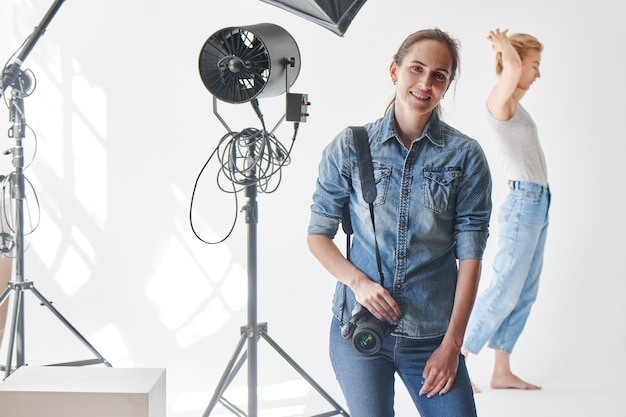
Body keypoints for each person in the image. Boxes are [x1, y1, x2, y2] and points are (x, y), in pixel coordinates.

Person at [307, 28, 492, 417]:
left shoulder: (465, 156)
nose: (425, 83)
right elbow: (318, 236)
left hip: (432, 337)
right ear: (395, 70)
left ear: (447, 85)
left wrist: (452, 345)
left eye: (439, 75)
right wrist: (358, 283)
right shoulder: (349, 146)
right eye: (416, 68)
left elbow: (471, 257)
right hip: (357, 331)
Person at [462, 28, 548, 391]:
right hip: (523, 203)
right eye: (534, 65)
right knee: (504, 288)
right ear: (515, 62)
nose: (538, 73)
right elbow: (511, 69)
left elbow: (516, 71)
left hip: (539, 201)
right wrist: (505, 46)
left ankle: (501, 371)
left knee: (524, 290)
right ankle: (456, 360)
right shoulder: (501, 101)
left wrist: (511, 52)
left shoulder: (517, 105)